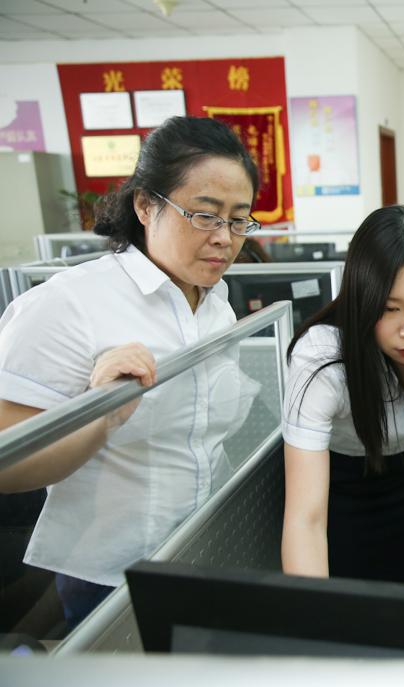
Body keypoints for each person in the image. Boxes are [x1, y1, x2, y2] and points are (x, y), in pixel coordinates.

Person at [0, 116, 261, 629]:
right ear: (145, 205)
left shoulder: (215, 303)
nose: (224, 239)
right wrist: (101, 414)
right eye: (204, 215)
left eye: (238, 220)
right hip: (112, 573)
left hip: (201, 549)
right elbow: (7, 464)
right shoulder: (68, 304)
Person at [281, 205, 404, 584]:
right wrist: (310, 612)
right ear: (362, 299)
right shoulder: (323, 358)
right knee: (345, 607)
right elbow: (306, 519)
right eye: (389, 308)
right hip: (340, 485)